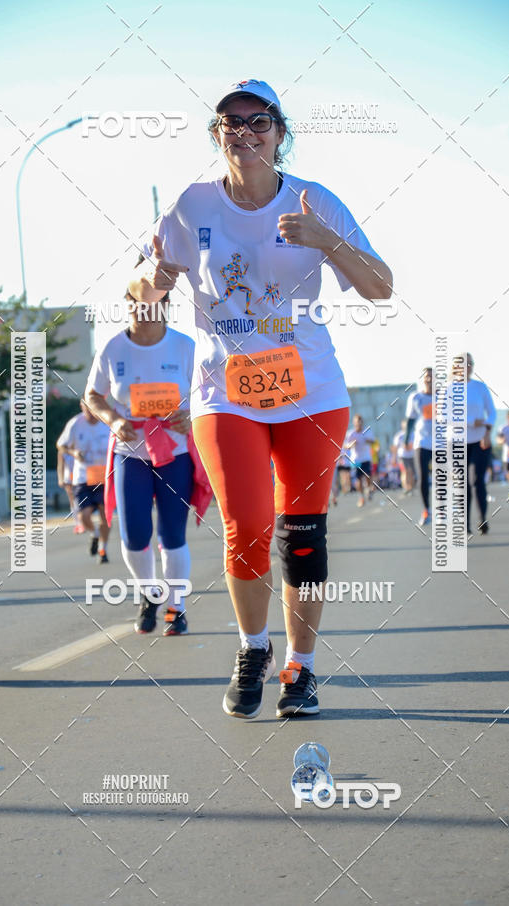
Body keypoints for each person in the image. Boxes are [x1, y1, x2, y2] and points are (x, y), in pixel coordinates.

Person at [128, 78, 392, 719]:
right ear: (217, 134)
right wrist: (153, 281)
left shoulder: (314, 199)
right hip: (226, 395)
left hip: (312, 393)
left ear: (279, 133)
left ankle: (300, 666)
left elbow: (381, 287)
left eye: (259, 121)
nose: (244, 132)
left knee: (303, 534)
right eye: (230, 122)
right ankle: (253, 649)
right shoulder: (190, 208)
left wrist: (326, 241)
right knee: (247, 526)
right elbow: (139, 303)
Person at [85, 283, 202, 636]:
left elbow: (212, 391)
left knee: (172, 535)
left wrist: (192, 412)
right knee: (135, 534)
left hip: (175, 452)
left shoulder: (185, 347)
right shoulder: (113, 348)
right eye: (134, 303)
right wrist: (115, 420)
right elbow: (93, 395)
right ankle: (150, 594)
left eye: (151, 303)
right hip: (130, 453)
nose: (141, 310)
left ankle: (176, 608)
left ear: (166, 306)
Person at [57, 401, 111, 562]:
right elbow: (61, 446)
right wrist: (73, 452)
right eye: (87, 408)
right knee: (83, 516)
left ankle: (103, 549)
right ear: (82, 407)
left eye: (93, 408)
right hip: (83, 478)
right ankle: (94, 535)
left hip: (104, 476)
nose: (90, 412)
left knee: (104, 516)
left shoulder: (106, 422)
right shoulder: (75, 424)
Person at [453, 354, 496, 535]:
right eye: (463, 364)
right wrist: (472, 422)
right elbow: (444, 417)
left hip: (479, 441)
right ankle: (464, 524)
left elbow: (492, 413)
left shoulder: (480, 387)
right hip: (457, 442)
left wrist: (487, 431)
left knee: (477, 481)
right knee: (462, 483)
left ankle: (482, 519)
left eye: (470, 364)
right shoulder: (448, 389)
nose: (467, 367)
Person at [405, 367, 433, 525]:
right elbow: (410, 420)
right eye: (426, 377)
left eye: (431, 377)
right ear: (422, 379)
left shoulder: (443, 396)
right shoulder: (415, 397)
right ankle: (426, 511)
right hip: (421, 442)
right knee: (422, 477)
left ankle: (442, 511)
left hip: (441, 443)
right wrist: (406, 438)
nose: (429, 379)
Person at [345, 414, 376, 508]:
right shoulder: (351, 433)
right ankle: (361, 497)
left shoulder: (367, 431)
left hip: (366, 458)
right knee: (357, 479)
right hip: (355, 459)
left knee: (368, 476)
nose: (358, 424)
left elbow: (373, 441)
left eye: (360, 421)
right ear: (354, 423)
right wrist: (351, 445)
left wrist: (368, 441)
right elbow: (345, 445)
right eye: (356, 422)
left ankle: (368, 489)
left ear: (362, 422)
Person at [57, 448, 83, 533]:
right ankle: (77, 524)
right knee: (72, 501)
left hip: (79, 476)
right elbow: (60, 465)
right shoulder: (62, 451)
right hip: (68, 478)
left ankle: (82, 521)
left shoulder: (79, 446)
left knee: (80, 500)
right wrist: (60, 478)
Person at [391, 419, 415, 495]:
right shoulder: (399, 435)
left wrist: (409, 446)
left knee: (411, 472)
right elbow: (395, 447)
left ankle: (410, 487)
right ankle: (405, 487)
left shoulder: (413, 434)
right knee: (405, 471)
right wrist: (394, 458)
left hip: (411, 456)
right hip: (402, 456)